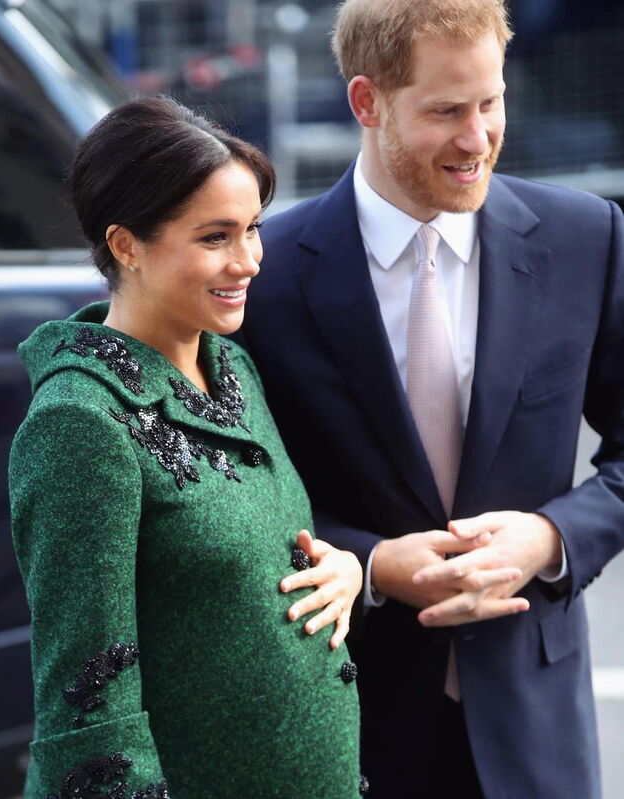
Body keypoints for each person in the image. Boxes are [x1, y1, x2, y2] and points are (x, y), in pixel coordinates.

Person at [237, 1, 624, 797]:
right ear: (366, 102)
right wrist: (371, 564)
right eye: (447, 110)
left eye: (491, 102)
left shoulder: (587, 239)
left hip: (536, 728)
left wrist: (549, 537)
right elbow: (237, 496)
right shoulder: (264, 279)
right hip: (346, 719)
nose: (478, 138)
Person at [9, 97, 366, 798]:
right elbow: (87, 709)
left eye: (253, 230)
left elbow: (246, 562)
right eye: (216, 238)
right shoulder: (79, 423)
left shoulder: (231, 366)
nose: (250, 261)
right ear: (126, 244)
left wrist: (345, 570)